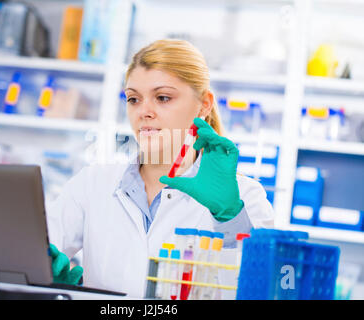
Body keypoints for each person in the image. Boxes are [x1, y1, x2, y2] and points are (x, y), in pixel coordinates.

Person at [46, 39, 274, 298]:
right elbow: (35, 252)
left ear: (204, 104)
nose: (144, 111)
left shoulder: (243, 197)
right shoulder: (93, 183)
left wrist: (229, 218)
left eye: (163, 97)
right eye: (133, 99)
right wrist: (48, 279)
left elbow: (258, 290)